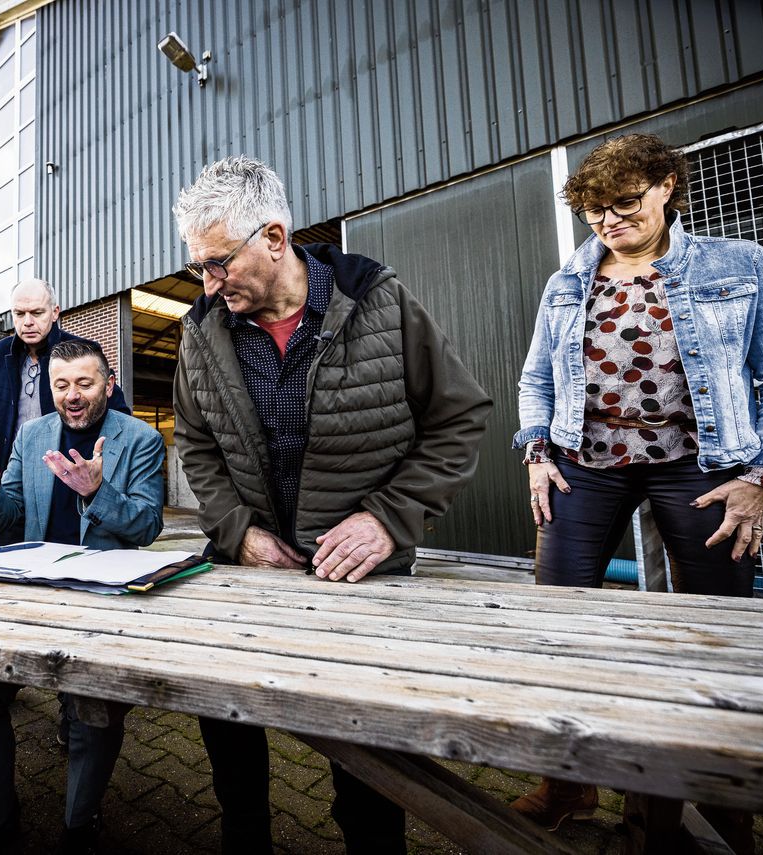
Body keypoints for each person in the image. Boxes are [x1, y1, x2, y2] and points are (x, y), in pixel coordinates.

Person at [171, 155, 492, 855]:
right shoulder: (202, 332)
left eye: (220, 262)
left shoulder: (379, 301)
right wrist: (239, 532)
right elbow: (196, 446)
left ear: (276, 237)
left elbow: (458, 419)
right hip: (247, 571)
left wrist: (388, 517)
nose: (208, 282)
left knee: (366, 768)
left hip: (359, 580)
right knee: (227, 721)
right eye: (199, 265)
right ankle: (245, 835)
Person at [513, 133, 763, 851]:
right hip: (586, 463)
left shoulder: (738, 264)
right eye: (595, 211)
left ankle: (726, 793)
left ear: (667, 184)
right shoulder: (568, 281)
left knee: (717, 632)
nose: (609, 221)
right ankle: (568, 779)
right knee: (559, 623)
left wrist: (762, 476)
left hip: (700, 466)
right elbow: (536, 378)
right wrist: (537, 451)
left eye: (625, 203)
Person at [0, 339, 165, 855]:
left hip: (103, 599)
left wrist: (96, 492)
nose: (71, 395)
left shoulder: (140, 440)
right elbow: (8, 521)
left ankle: (79, 824)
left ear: (108, 386)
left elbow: (147, 526)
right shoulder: (32, 433)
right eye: (61, 384)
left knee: (92, 710)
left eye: (84, 384)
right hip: (37, 592)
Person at [0, 279, 130, 545]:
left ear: (55, 312)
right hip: (13, 479)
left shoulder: (81, 353)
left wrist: (104, 466)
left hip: (69, 479)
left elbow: (117, 412)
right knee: (13, 558)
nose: (27, 322)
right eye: (19, 314)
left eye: (37, 313)